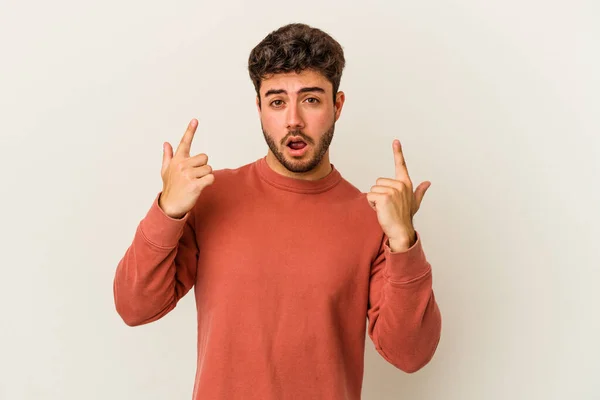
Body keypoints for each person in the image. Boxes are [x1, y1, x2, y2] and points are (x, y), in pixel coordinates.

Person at [113, 22, 442, 400]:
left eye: (311, 99)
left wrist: (404, 242)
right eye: (277, 101)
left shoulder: (373, 218)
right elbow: (134, 307)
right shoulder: (209, 197)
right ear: (259, 108)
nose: (293, 120)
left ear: (337, 106)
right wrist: (167, 211)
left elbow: (411, 354)